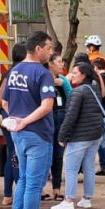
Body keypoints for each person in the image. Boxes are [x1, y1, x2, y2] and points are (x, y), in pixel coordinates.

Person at [2, 31, 57, 209]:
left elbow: (4, 101)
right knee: (34, 184)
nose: (50, 53)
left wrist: (16, 120)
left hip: (19, 134)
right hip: (37, 133)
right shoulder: (42, 74)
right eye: (49, 48)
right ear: (38, 49)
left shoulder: (14, 71)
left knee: (24, 180)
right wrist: (26, 121)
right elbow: (47, 105)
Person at [52, 62, 104, 209]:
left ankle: (69, 200)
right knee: (89, 167)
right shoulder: (94, 89)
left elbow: (70, 117)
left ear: (84, 75)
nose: (72, 75)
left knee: (70, 168)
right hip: (95, 135)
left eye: (75, 73)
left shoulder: (78, 92)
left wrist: (62, 136)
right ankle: (87, 199)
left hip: (80, 136)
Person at [0, 44, 26, 206]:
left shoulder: (12, 72)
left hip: (10, 118)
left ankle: (8, 194)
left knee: (12, 154)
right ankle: (14, 194)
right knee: (16, 155)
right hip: (12, 119)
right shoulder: (15, 73)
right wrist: (4, 111)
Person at [47, 54, 72, 201]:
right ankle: (42, 188)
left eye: (62, 61)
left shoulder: (63, 80)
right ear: (50, 64)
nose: (61, 64)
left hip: (61, 118)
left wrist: (63, 84)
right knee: (45, 154)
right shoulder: (43, 78)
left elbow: (71, 97)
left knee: (58, 154)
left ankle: (57, 188)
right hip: (47, 118)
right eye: (58, 62)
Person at [91, 57, 105, 176]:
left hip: (99, 111)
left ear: (95, 68)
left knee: (100, 140)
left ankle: (103, 165)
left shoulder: (97, 79)